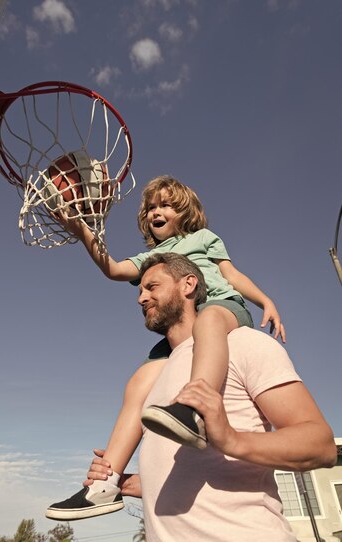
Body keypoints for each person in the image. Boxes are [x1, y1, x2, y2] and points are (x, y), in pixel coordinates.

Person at [83, 252, 337, 542]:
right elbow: (191, 466)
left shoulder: (244, 344)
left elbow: (320, 444)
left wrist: (231, 439)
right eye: (139, 291)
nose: (140, 298)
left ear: (189, 285)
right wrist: (134, 483)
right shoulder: (154, 379)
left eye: (152, 286)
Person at [46, 175, 285, 520]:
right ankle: (104, 484)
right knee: (140, 382)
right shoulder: (151, 258)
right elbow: (112, 268)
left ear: (184, 211)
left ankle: (194, 409)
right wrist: (81, 228)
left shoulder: (204, 239)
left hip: (221, 307)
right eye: (152, 207)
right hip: (182, 327)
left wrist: (266, 301)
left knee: (210, 320)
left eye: (166, 205)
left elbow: (231, 275)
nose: (157, 211)